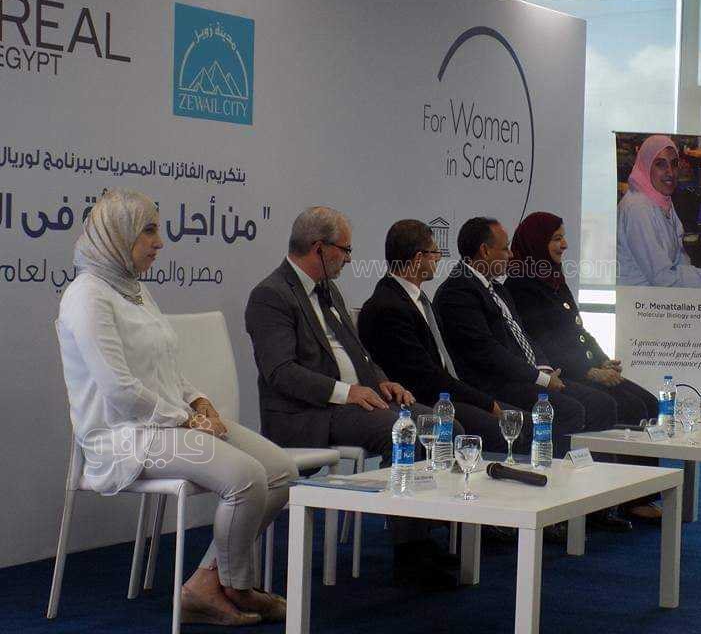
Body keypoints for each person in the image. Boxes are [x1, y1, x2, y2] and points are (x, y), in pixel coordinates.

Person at [56, 189, 293, 626]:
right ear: (116, 234)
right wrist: (187, 418)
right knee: (246, 478)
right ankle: (236, 586)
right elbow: (119, 391)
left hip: (167, 423)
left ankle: (206, 582)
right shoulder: (86, 296)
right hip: (125, 436)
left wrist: (199, 400)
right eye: (148, 231)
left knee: (280, 471)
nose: (160, 242)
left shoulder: (134, 289)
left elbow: (166, 369)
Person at [244, 206, 461, 590]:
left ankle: (427, 531)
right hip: (306, 413)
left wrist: (382, 382)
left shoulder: (328, 289)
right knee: (403, 430)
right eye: (344, 250)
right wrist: (347, 393)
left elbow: (358, 353)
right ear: (319, 248)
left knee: (445, 425)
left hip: (355, 401)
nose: (348, 258)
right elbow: (281, 372)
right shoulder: (270, 295)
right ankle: (410, 553)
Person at [435, 217, 631, 532]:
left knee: (600, 403)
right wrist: (540, 378)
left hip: (525, 376)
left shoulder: (496, 288)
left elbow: (525, 337)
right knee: (570, 409)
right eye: (505, 248)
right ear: (484, 251)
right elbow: (488, 353)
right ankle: (550, 507)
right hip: (493, 384)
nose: (511, 254)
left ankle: (592, 503)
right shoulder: (458, 293)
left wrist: (544, 368)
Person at [505, 211, 662, 521]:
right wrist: (589, 372)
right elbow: (542, 343)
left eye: (563, 237)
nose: (564, 244)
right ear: (536, 241)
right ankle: (607, 498)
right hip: (563, 372)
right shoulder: (521, 285)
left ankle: (637, 494)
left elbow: (579, 329)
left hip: (586, 367)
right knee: (627, 407)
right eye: (556, 238)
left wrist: (602, 359)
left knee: (648, 403)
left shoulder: (552, 276)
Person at [358, 219, 531, 453]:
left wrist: (483, 399)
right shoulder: (389, 307)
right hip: (421, 399)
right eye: (435, 252)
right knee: (506, 428)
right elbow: (425, 377)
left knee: (523, 421)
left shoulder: (415, 299)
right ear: (418, 258)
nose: (439, 258)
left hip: (445, 393)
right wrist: (486, 403)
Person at [617, 135, 701, 287]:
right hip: (639, 298)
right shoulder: (638, 208)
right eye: (660, 164)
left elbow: (679, 258)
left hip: (659, 294)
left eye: (674, 164)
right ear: (645, 166)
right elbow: (664, 278)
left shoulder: (660, 199)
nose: (670, 172)